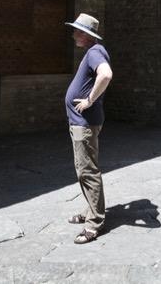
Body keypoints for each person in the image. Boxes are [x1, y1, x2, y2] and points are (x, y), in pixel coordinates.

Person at [64, 13, 113, 244]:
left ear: (86, 34)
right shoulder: (93, 52)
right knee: (83, 170)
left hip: (85, 123)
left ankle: (94, 224)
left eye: (76, 30)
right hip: (81, 123)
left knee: (88, 171)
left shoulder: (95, 52)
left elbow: (106, 75)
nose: (73, 34)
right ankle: (90, 211)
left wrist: (89, 100)